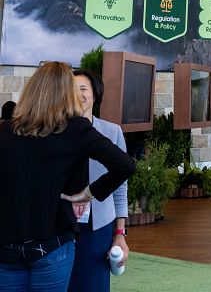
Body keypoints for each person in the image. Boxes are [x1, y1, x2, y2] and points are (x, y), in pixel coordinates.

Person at [0, 62, 134, 291]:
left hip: (7, 247)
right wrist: (87, 194)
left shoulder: (5, 130)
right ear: (66, 92)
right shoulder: (75, 129)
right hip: (53, 245)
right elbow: (124, 165)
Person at [68, 70, 130, 292]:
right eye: (72, 89)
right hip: (61, 225)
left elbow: (120, 186)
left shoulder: (111, 132)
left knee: (94, 285)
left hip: (98, 226)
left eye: (83, 89)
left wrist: (120, 234)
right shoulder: (55, 131)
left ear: (95, 95)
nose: (78, 94)